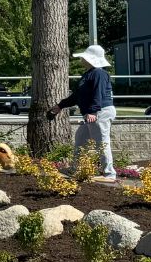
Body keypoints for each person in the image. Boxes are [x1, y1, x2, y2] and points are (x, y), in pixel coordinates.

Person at [48, 45, 117, 182]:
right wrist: (60, 106)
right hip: (92, 114)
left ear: (91, 59)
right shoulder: (88, 74)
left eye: (84, 56)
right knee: (80, 138)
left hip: (100, 113)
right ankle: (76, 168)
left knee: (102, 142)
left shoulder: (99, 73)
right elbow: (77, 96)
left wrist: (93, 111)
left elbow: (99, 94)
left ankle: (109, 174)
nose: (81, 58)